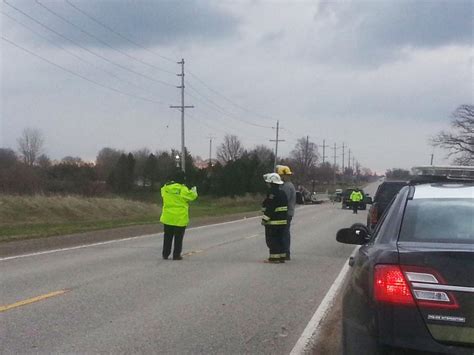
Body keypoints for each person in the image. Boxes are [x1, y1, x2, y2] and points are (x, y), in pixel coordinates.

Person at [159, 171, 198, 260]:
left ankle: (165, 254)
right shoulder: (182, 189)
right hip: (180, 217)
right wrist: (193, 187)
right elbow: (193, 196)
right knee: (178, 237)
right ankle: (176, 255)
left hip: (168, 216)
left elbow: (162, 192)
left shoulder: (166, 188)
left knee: (167, 236)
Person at [261, 173, 288, 263]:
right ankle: (282, 257)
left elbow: (270, 208)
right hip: (283, 221)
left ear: (272, 183)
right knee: (280, 239)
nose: (267, 184)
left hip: (273, 222)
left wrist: (264, 219)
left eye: (268, 183)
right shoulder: (283, 193)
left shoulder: (272, 194)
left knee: (272, 240)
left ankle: (274, 258)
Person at [276, 165, 296, 260]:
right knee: (285, 232)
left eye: (280, 175)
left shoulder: (287, 186)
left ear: (284, 176)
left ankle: (285, 252)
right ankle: (285, 252)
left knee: (284, 233)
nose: (279, 177)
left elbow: (284, 200)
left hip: (286, 213)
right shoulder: (288, 185)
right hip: (288, 212)